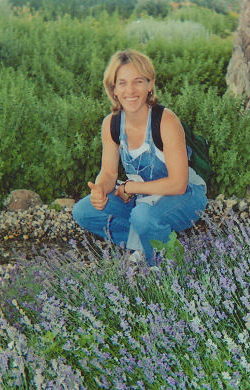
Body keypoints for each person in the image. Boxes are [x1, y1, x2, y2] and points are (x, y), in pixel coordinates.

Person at [72, 49, 207, 267]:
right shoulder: (111, 124)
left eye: (138, 81)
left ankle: (166, 267)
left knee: (143, 217)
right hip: (143, 196)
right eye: (122, 83)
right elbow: (108, 173)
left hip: (185, 196)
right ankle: (148, 245)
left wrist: (129, 189)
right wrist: (99, 189)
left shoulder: (166, 120)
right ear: (113, 88)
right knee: (84, 211)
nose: (131, 90)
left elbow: (178, 184)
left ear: (150, 84)